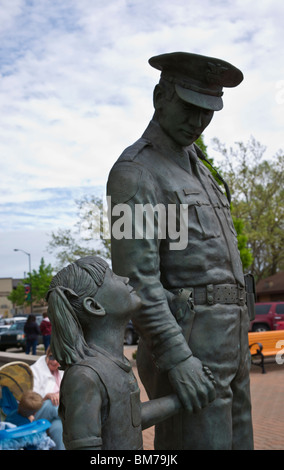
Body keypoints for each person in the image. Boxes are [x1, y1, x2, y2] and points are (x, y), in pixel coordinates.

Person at [107, 52, 254, 450]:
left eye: (208, 111)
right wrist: (176, 358)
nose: (199, 121)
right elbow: (137, 280)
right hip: (190, 348)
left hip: (232, 341)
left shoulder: (200, 169)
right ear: (160, 97)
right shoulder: (137, 172)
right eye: (190, 107)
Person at [46, 256, 182, 450]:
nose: (125, 279)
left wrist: (180, 400)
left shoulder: (113, 364)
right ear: (94, 306)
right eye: (112, 276)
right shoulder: (84, 377)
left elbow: (128, 423)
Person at [31, 347, 65, 449]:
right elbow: (31, 402)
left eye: (58, 359)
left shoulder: (63, 371)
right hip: (37, 415)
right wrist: (46, 397)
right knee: (51, 404)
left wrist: (61, 396)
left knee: (58, 427)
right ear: (47, 355)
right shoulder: (34, 371)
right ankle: (71, 418)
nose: (54, 362)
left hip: (56, 416)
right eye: (51, 357)